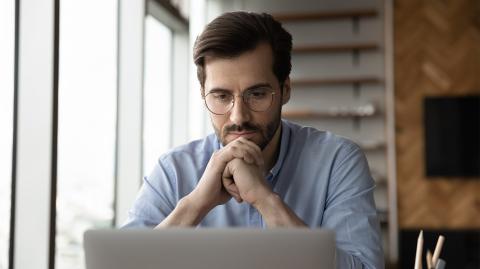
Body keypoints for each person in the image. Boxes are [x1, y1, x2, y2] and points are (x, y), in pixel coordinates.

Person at [124, 11, 384, 268]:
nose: (238, 116)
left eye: (257, 94)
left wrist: (264, 200)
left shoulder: (337, 161)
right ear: (203, 94)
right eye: (222, 97)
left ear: (285, 90)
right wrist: (196, 203)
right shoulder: (174, 171)